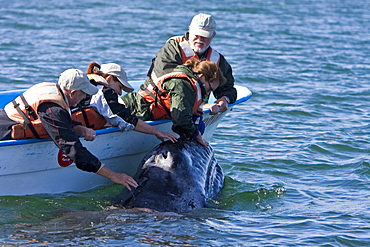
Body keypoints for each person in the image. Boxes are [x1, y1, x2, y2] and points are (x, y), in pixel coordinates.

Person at [0, 69, 138, 190]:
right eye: (83, 94)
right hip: (4, 132)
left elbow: (53, 121)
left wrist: (78, 128)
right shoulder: (53, 109)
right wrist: (114, 176)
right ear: (72, 93)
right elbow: (73, 150)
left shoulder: (52, 89)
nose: (85, 98)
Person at [122, 57, 226, 147]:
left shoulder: (189, 82)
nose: (207, 93)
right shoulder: (182, 84)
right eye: (210, 89)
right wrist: (196, 135)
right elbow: (181, 119)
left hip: (141, 112)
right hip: (130, 109)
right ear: (202, 77)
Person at [145, 13, 237, 114]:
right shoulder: (172, 50)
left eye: (204, 36)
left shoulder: (217, 60)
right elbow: (171, 83)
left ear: (213, 35)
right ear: (189, 30)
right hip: (156, 105)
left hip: (193, 111)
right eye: (196, 34)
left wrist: (224, 99)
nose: (199, 39)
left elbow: (228, 87)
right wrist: (198, 106)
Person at [71, 62, 177, 143]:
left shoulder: (86, 84)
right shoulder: (104, 91)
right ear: (110, 78)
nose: (120, 93)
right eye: (120, 87)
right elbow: (126, 120)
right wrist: (157, 132)